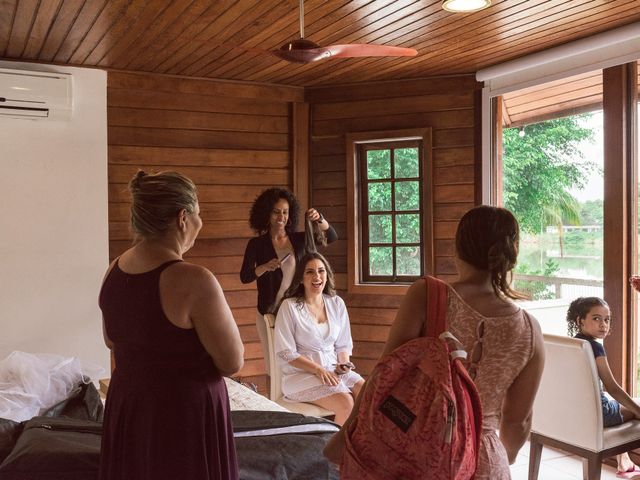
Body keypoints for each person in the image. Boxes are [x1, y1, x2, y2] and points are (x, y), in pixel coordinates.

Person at [324, 205, 545, 479]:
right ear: (510, 255)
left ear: (458, 248)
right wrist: (496, 455)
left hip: (419, 453)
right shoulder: (530, 330)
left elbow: (384, 375)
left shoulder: (428, 295)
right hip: (486, 460)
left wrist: (345, 434)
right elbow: (518, 420)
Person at [98, 170, 244, 480]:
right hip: (182, 416)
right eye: (199, 214)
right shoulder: (193, 279)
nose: (200, 224)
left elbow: (111, 340)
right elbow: (232, 362)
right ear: (182, 218)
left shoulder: (114, 270)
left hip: (130, 405)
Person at [240, 187, 337, 375]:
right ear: (266, 214)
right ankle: (272, 403)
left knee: (296, 363)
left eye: (285, 212)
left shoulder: (299, 240)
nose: (281, 217)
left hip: (296, 310)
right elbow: (245, 277)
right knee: (273, 367)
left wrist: (319, 219)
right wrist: (264, 267)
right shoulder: (256, 244)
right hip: (268, 312)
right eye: (276, 212)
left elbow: (331, 237)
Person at [274, 252, 364, 425]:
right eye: (310, 272)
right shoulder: (290, 307)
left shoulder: (336, 303)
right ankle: (335, 451)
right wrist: (318, 370)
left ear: (327, 275)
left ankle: (358, 445)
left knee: (366, 392)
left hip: (332, 372)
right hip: (300, 376)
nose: (317, 276)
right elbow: (286, 353)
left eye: (321, 271)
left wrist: (343, 364)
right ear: (301, 278)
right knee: (346, 403)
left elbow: (343, 344)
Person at [567, 297, 640, 479]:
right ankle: (626, 462)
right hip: (600, 414)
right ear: (580, 321)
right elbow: (612, 387)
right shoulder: (595, 348)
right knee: (634, 408)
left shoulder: (572, 344)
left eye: (606, 319)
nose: (603, 325)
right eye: (596, 318)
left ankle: (624, 463)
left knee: (618, 402)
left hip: (576, 411)